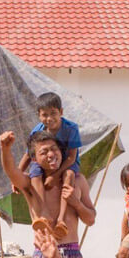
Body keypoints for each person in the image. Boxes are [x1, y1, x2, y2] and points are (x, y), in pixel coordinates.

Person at [0, 130, 96, 258]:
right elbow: (12, 172)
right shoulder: (30, 184)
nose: (51, 154)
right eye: (44, 152)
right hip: (43, 254)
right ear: (34, 159)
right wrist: (5, 149)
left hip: (71, 254)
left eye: (54, 149)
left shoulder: (78, 180)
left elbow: (90, 220)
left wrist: (76, 203)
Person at [16, 92, 82, 238]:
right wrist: (17, 175)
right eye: (44, 115)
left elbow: (71, 157)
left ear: (61, 112)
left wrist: (55, 176)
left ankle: (61, 220)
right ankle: (43, 213)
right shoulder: (37, 130)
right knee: (34, 172)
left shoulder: (71, 128)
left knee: (69, 175)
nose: (49, 118)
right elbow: (28, 155)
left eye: (53, 113)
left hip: (66, 163)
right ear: (39, 116)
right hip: (44, 163)